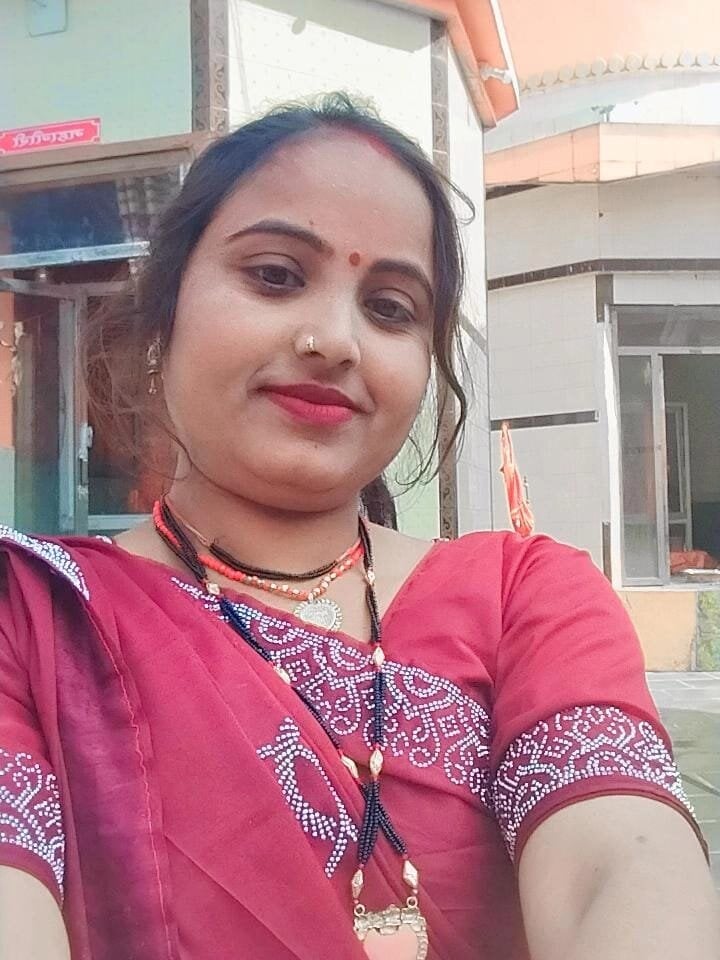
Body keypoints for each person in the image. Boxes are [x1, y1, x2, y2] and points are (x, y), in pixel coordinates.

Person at [0, 94, 717, 960]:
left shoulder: (524, 598)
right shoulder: (33, 623)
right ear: (165, 311)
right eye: (275, 275)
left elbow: (619, 866)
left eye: (390, 308)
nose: (334, 340)